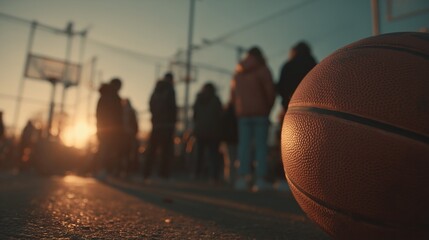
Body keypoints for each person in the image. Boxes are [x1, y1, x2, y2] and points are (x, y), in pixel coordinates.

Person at [230, 46, 276, 191]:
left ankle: (243, 178)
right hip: (260, 113)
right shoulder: (263, 69)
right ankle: (260, 180)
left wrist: (238, 109)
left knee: (244, 147)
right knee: (261, 147)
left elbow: (233, 95)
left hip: (243, 114)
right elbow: (270, 91)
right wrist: (268, 108)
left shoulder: (238, 72)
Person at [275, 41, 317, 191]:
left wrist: (287, 99)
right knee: (310, 147)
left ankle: (284, 179)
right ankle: (310, 181)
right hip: (311, 111)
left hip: (290, 110)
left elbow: (280, 87)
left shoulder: (288, 65)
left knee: (287, 146)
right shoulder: (313, 63)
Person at [143, 72, 177, 181]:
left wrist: (155, 117)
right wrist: (173, 121)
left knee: (152, 150)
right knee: (166, 150)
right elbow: (172, 107)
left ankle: (146, 173)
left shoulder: (156, 90)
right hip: (167, 125)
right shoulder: (170, 90)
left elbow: (150, 104)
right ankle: (163, 174)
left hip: (156, 124)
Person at [277, 41, 317, 118]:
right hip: (312, 107)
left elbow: (281, 87)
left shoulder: (288, 65)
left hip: (291, 107)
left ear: (294, 51)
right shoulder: (314, 65)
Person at [193, 82, 223, 183]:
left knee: (199, 155)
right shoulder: (216, 100)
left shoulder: (198, 99)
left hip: (200, 131)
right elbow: (220, 116)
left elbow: (195, 116)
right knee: (213, 155)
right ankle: (214, 176)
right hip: (213, 132)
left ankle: (197, 175)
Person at [95, 78, 124, 178]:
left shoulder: (105, 95)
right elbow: (116, 115)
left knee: (105, 149)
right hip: (110, 129)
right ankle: (103, 170)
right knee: (107, 149)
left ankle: (102, 170)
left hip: (104, 127)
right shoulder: (112, 96)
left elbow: (99, 113)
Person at [121, 98, 139, 177]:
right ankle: (125, 171)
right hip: (126, 135)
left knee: (126, 153)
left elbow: (135, 124)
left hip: (127, 135)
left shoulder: (124, 111)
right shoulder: (127, 111)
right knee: (126, 154)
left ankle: (126, 171)